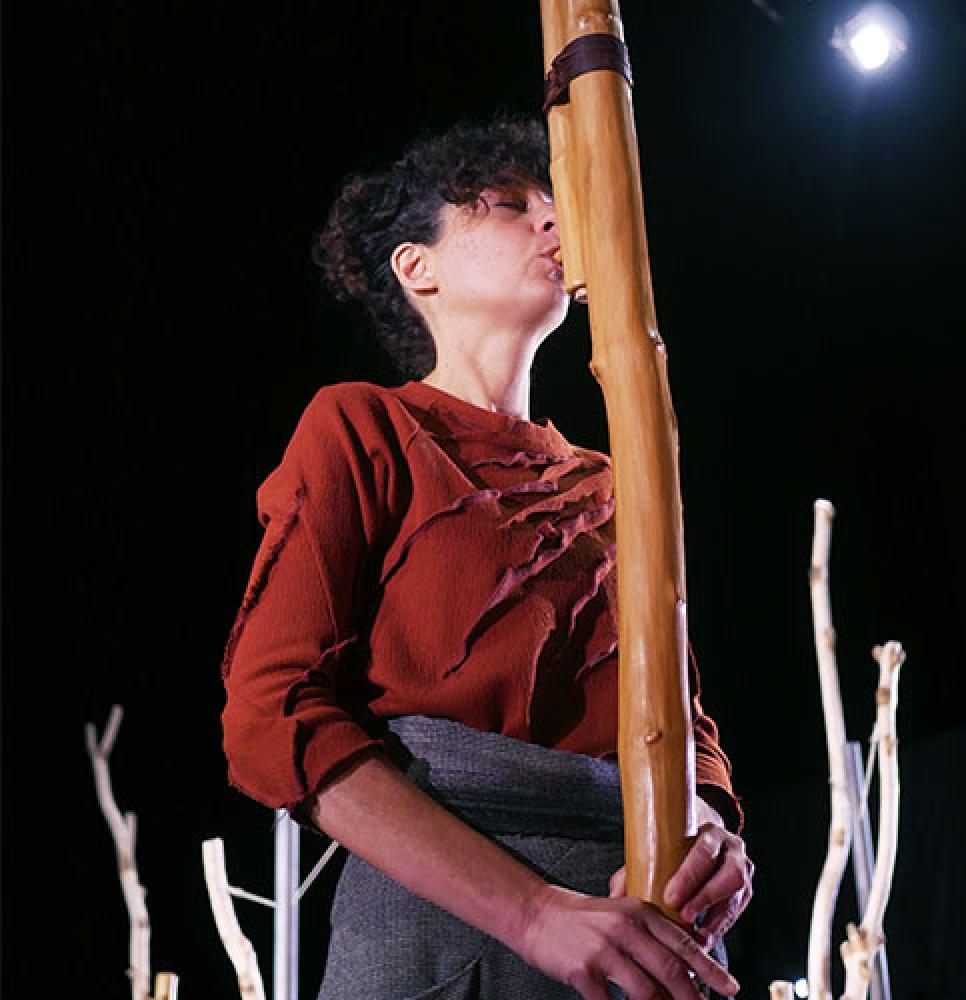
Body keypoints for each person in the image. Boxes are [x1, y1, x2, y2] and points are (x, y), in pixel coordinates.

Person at [220, 116, 753, 1000]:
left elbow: (685, 721)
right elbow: (272, 711)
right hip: (441, 917)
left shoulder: (617, 478)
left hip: (640, 921)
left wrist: (705, 832)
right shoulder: (365, 427)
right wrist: (534, 914)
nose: (554, 221)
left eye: (556, 206)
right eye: (507, 205)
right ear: (417, 268)